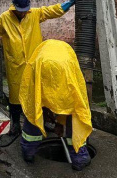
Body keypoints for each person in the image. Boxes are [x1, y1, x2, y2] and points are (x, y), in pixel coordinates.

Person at [0, 0, 75, 135]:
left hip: (34, 64)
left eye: (25, 10)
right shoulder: (4, 18)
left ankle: (42, 123)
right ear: (14, 7)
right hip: (15, 65)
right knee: (15, 98)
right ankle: (15, 124)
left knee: (38, 94)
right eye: (20, 10)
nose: (23, 13)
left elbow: (51, 11)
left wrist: (68, 4)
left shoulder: (34, 14)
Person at [18, 39, 92, 171]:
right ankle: (79, 158)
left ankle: (29, 152)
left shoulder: (40, 50)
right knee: (73, 111)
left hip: (41, 67)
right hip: (64, 69)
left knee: (35, 107)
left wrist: (56, 122)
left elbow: (47, 101)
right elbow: (61, 103)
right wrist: (59, 123)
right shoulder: (68, 52)